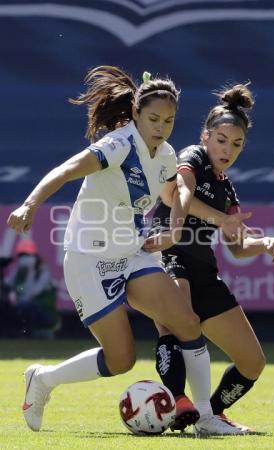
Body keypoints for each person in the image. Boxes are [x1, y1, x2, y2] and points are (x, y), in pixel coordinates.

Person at [6, 66, 228, 434]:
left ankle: (205, 417)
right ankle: (43, 380)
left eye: (169, 121)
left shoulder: (166, 153)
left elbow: (177, 192)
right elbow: (65, 170)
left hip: (131, 252)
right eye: (153, 118)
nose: (160, 127)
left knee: (187, 322)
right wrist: (30, 205)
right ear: (136, 113)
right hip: (89, 260)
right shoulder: (119, 145)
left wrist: (174, 228)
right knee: (121, 359)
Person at [144, 83, 274, 435]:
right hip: (170, 256)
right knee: (179, 322)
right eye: (221, 139)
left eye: (236, 144)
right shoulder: (192, 157)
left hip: (205, 272)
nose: (227, 149)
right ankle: (179, 402)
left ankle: (210, 416)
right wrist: (214, 221)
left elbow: (236, 246)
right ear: (206, 137)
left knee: (253, 362)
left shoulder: (227, 189)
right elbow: (180, 193)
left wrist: (261, 243)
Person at [5, 239, 58, 338]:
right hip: (23, 307)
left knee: (26, 306)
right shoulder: (19, 271)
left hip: (44, 312)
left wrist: (30, 273)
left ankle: (30, 332)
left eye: (27, 255)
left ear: (34, 256)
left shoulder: (43, 272)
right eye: (21, 256)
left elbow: (32, 293)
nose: (24, 258)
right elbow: (9, 285)